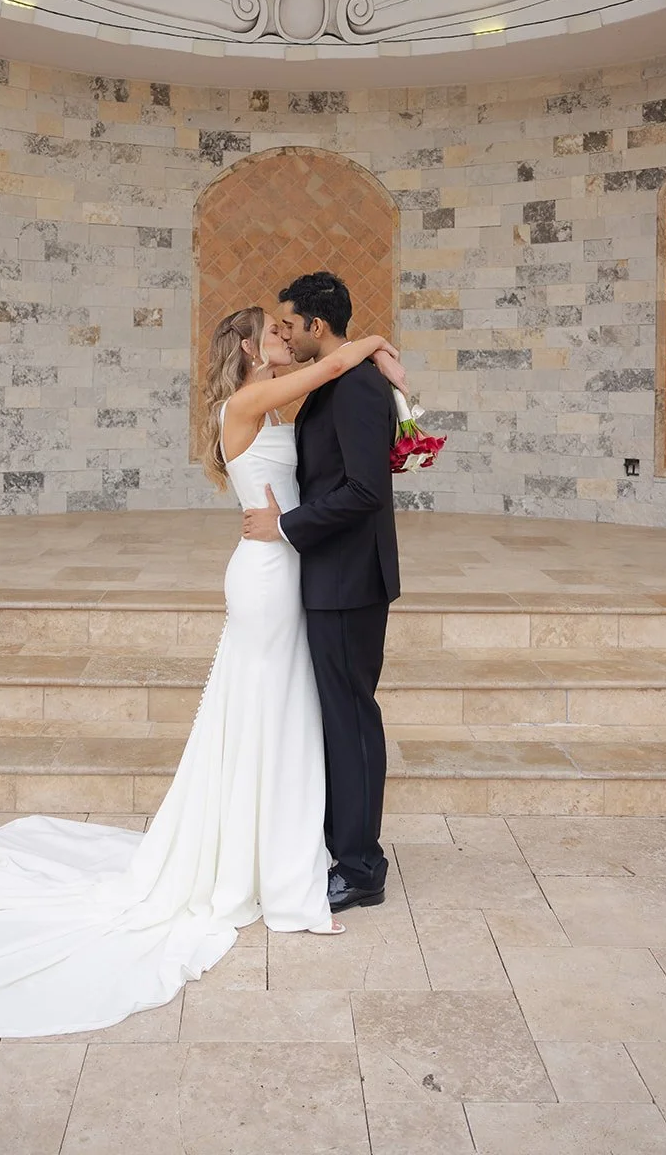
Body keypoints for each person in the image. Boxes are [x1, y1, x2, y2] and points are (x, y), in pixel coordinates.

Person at [0, 306, 404, 1037]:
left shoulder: (281, 405)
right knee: (265, 705)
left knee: (276, 708)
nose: (285, 338)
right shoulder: (242, 404)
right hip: (266, 575)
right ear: (246, 349)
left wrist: (393, 401)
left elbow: (342, 426)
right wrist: (375, 347)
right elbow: (332, 365)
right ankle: (267, 866)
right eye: (273, 334)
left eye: (287, 331)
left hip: (286, 568)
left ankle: (271, 849)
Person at [241, 272, 400, 913]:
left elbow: (366, 490)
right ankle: (344, 847)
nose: (281, 331)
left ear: (317, 325)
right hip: (329, 575)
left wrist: (284, 526)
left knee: (352, 719)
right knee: (339, 717)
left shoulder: (358, 388)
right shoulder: (335, 380)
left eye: (288, 323)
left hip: (347, 581)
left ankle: (361, 867)